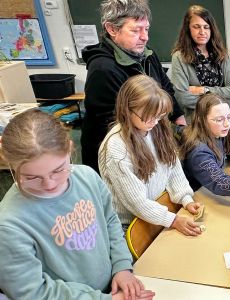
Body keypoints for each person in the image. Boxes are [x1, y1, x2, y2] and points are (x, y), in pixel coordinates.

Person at [0, 109, 154, 300]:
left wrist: (122, 267)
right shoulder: (9, 225)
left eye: (58, 170)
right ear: (11, 165)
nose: (49, 184)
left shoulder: (87, 176)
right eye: (31, 177)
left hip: (112, 287)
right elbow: (31, 292)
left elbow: (110, 221)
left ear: (70, 148)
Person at [82, 0, 186, 173]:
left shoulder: (147, 54)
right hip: (119, 155)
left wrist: (179, 119)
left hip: (146, 137)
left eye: (146, 29)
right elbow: (116, 123)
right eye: (136, 30)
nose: (145, 36)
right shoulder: (103, 70)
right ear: (112, 29)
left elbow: (166, 90)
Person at [99, 75, 203, 236]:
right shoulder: (116, 147)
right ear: (127, 109)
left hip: (158, 214)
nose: (155, 121)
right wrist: (173, 220)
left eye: (159, 115)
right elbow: (137, 202)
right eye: (148, 116)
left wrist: (186, 199)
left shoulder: (155, 128)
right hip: (132, 227)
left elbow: (172, 167)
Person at [168, 5, 230, 121]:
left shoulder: (221, 54)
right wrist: (220, 99)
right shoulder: (179, 57)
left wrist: (204, 90)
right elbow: (182, 98)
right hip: (198, 123)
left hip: (225, 121)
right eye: (196, 27)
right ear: (188, 29)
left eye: (206, 27)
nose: (202, 32)